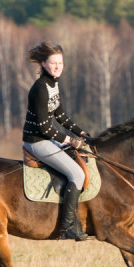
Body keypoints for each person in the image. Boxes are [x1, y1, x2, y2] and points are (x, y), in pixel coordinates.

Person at [22, 42, 90, 241]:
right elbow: (45, 128)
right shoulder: (42, 88)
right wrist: (70, 139)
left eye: (60, 63)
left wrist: (82, 133)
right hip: (36, 141)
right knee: (77, 174)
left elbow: (60, 115)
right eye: (53, 63)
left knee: (81, 158)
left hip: (46, 139)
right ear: (43, 64)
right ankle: (67, 226)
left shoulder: (53, 83)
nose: (58, 66)